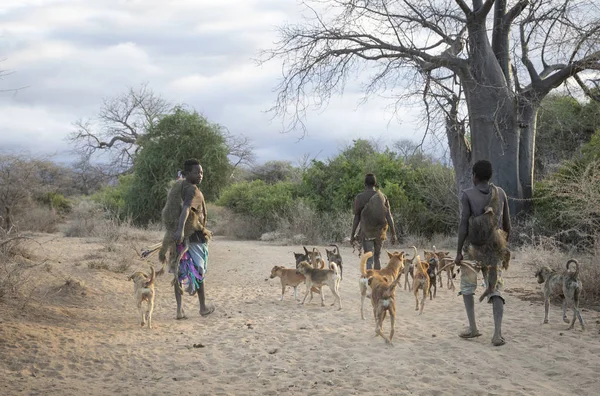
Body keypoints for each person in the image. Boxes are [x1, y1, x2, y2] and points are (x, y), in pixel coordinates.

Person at [454, 160, 511, 346]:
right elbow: (507, 225)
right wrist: (502, 246)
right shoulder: (500, 193)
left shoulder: (467, 194)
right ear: (490, 176)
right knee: (495, 288)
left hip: (473, 250)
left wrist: (458, 252)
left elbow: (463, 225)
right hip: (495, 250)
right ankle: (497, 334)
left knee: (468, 288)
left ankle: (473, 328)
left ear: (474, 176)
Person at [170, 159, 215, 319]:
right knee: (198, 271)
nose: (200, 175)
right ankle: (202, 307)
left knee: (178, 271)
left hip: (178, 236)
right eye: (197, 172)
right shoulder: (193, 191)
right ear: (187, 174)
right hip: (193, 237)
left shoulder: (180, 187)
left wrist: (178, 231)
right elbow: (186, 209)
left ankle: (179, 309)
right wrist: (182, 230)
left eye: (201, 172)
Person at [350, 173, 398, 270]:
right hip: (380, 233)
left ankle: (369, 282)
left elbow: (356, 218)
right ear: (375, 184)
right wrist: (393, 234)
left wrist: (352, 235)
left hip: (367, 232)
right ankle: (378, 283)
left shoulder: (360, 197)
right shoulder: (382, 197)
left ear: (365, 184)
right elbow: (389, 216)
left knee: (369, 259)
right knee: (377, 257)